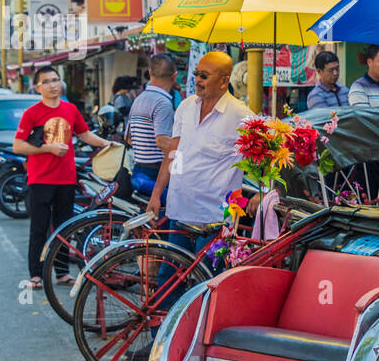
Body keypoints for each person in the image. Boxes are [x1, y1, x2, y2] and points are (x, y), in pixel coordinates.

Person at [14, 66, 113, 289]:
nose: (53, 85)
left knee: (64, 228)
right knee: (39, 228)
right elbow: (18, 145)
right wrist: (47, 149)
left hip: (66, 179)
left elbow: (85, 134)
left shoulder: (70, 109)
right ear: (38, 87)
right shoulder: (32, 113)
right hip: (40, 179)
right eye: (47, 81)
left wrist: (108, 144)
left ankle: (61, 272)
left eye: (56, 80)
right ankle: (36, 275)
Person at [147, 50, 254, 249]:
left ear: (223, 81)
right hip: (180, 208)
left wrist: (263, 192)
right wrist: (156, 194)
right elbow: (173, 153)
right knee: (170, 276)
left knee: (207, 278)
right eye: (196, 73)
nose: (197, 79)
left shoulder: (241, 115)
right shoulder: (186, 107)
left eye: (204, 76)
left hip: (215, 216)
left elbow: (268, 153)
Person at [125, 53, 178, 186]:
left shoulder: (139, 99)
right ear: (175, 76)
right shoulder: (163, 103)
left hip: (139, 171)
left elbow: (127, 137)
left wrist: (144, 149)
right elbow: (162, 141)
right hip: (157, 173)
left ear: (150, 73)